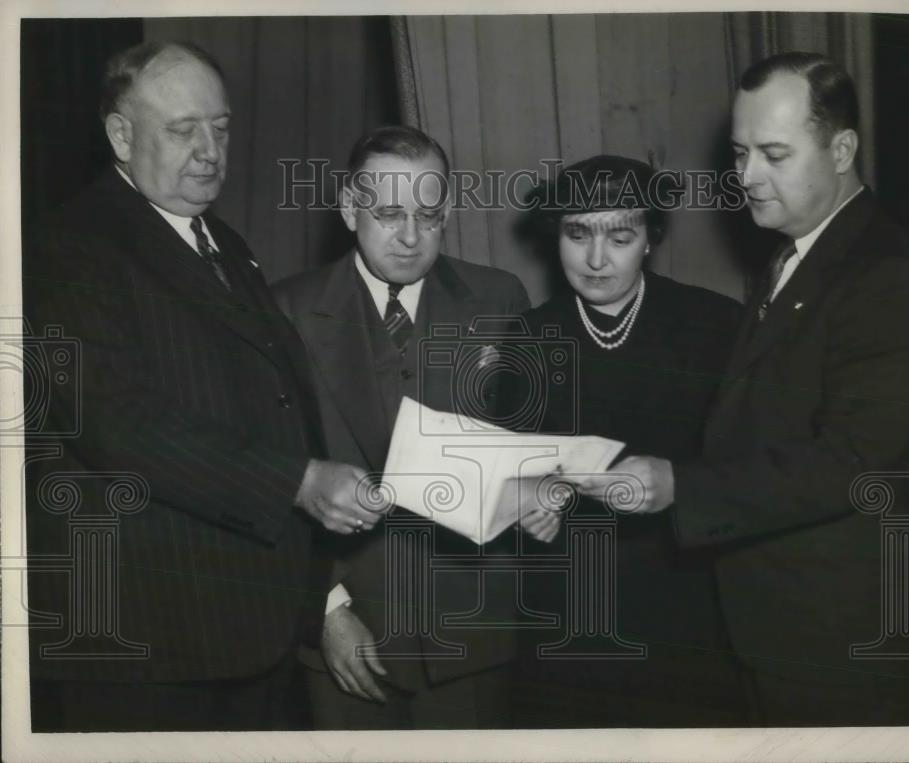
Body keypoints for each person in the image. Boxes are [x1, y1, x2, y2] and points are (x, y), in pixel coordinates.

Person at [568, 53, 909, 725]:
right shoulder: (798, 251)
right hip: (783, 631)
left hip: (846, 649)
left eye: (774, 154)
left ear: (842, 149)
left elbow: (855, 462)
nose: (746, 176)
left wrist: (679, 484)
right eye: (740, 152)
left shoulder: (889, 277)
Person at [23, 40, 378, 732]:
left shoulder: (225, 243)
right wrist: (298, 481)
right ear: (121, 135)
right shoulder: (68, 247)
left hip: (244, 633)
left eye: (219, 127)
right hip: (146, 643)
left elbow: (275, 411)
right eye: (183, 130)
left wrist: (319, 603)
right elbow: (119, 425)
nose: (210, 150)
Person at [274, 125, 531, 729]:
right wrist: (327, 609)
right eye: (389, 214)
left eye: (430, 215)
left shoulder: (500, 298)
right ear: (347, 207)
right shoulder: (284, 309)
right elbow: (272, 472)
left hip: (472, 632)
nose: (411, 237)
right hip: (347, 633)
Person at [509, 155, 746, 727]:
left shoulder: (716, 325)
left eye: (619, 235)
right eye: (577, 234)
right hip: (566, 610)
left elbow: (749, 470)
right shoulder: (529, 336)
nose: (595, 259)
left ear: (650, 239)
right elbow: (505, 467)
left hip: (688, 602)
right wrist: (524, 497)